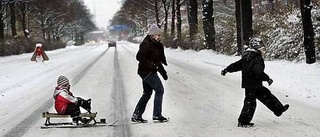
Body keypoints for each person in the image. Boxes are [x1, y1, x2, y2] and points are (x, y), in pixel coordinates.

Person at [221, 37, 289, 127]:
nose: (263, 51)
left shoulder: (246, 56)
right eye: (262, 48)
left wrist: (227, 69)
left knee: (266, 94)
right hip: (253, 84)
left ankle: (279, 109)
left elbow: (237, 65)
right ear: (257, 48)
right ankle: (243, 122)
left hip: (251, 84)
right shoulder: (257, 58)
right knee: (250, 102)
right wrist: (267, 78)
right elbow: (258, 72)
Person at [131, 24, 169, 123]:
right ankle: (157, 115)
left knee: (147, 93)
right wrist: (152, 65)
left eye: (160, 35)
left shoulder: (156, 44)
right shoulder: (146, 44)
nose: (159, 37)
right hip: (146, 71)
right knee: (159, 90)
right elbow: (139, 57)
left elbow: (157, 61)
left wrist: (163, 72)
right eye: (158, 35)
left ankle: (137, 115)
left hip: (149, 71)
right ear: (152, 35)